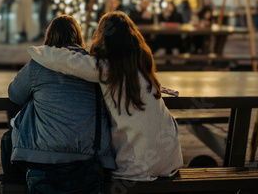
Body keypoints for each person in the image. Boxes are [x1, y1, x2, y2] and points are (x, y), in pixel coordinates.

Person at [28, 11, 183, 181]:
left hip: (139, 164)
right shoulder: (142, 67)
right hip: (171, 159)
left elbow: (67, 62)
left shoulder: (108, 69)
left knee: (96, 171)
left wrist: (39, 51)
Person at [2, 15, 116, 193]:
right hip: (91, 159)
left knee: (9, 140)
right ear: (78, 37)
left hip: (42, 159)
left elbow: (15, 95)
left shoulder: (38, 65)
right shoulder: (94, 66)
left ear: (49, 37)